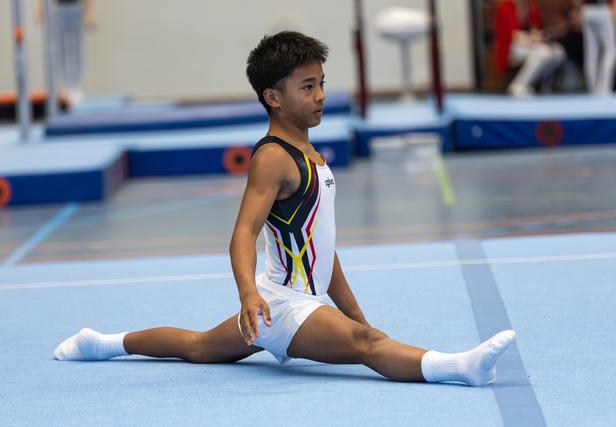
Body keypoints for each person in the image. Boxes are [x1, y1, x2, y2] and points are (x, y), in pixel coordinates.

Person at [53, 31, 516, 386]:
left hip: (286, 300)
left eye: (321, 84)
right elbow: (242, 233)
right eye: (306, 86)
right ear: (273, 97)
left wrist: (355, 313)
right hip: (282, 305)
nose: (319, 96)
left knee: (198, 345)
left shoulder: (314, 156)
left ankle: (101, 343)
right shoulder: (273, 157)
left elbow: (323, 250)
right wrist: (248, 296)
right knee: (368, 346)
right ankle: (460, 367)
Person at [494, 0, 566, 97]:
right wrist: (532, 41)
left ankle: (545, 86)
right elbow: (513, 36)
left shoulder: (532, 8)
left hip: (532, 45)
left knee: (558, 52)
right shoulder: (505, 9)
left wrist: (541, 37)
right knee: (542, 52)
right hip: (511, 47)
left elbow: (537, 31)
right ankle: (519, 85)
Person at [37, 0, 96, 105]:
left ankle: (74, 89)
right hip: (54, 8)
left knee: (74, 50)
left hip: (75, 8)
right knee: (56, 51)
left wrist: (89, 12)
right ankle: (57, 89)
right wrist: (40, 6)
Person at [578, 0, 616, 94]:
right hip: (601, 9)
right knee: (610, 50)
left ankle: (592, 88)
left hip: (586, 11)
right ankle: (604, 88)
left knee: (591, 53)